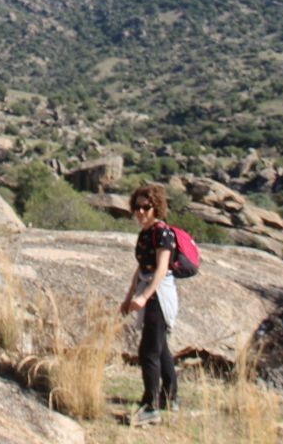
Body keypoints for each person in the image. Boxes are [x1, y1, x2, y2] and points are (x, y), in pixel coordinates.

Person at [119, 183, 179, 427]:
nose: (141, 212)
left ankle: (150, 406)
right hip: (147, 290)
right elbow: (141, 267)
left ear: (157, 207)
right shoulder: (145, 233)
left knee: (148, 351)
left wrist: (144, 296)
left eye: (146, 207)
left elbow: (162, 268)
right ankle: (170, 397)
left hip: (159, 294)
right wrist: (129, 295)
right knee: (160, 347)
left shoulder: (163, 233)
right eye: (137, 207)